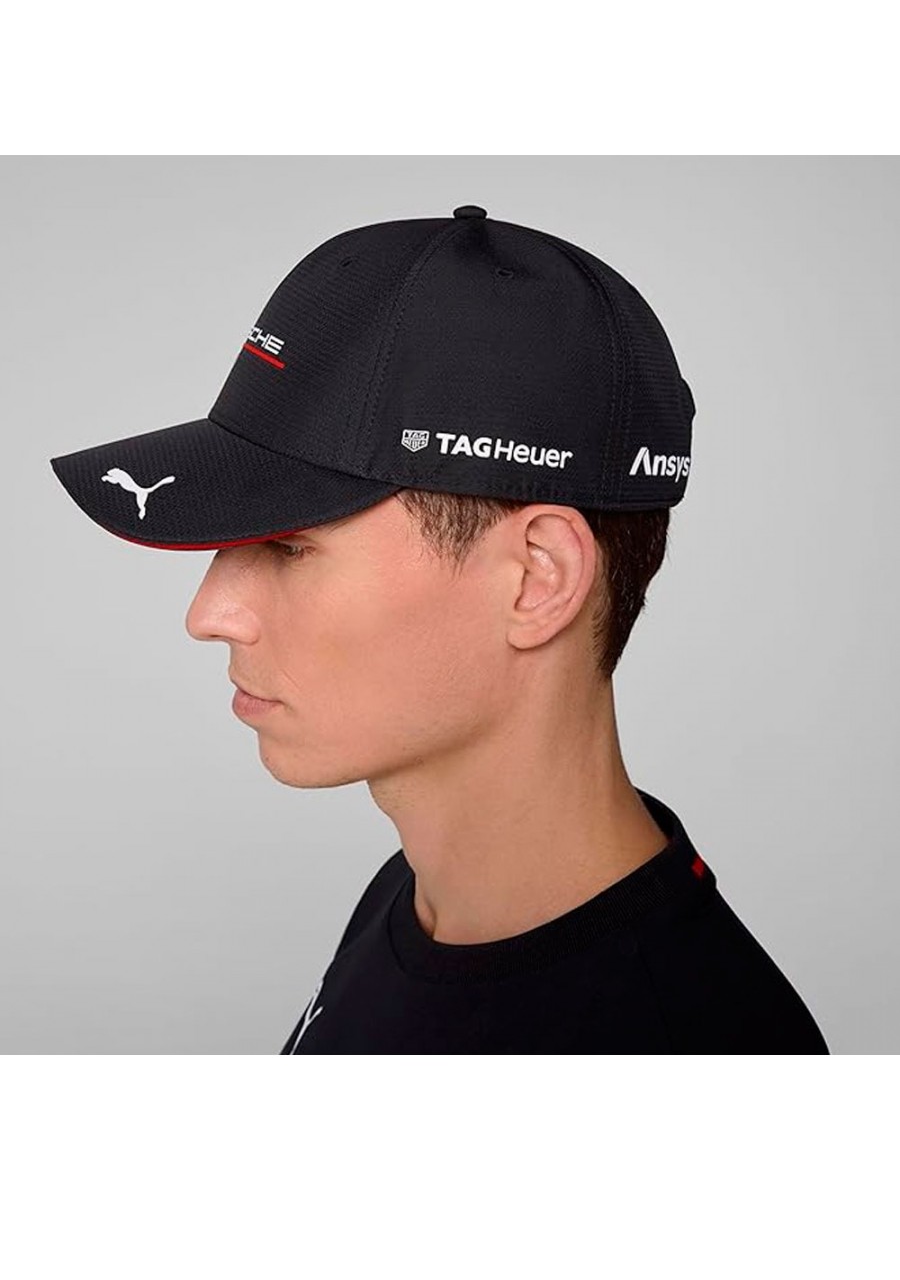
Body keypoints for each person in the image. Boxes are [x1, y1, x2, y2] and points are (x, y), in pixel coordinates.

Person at [49, 203, 829, 1054]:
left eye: (288, 546)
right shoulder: (414, 901)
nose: (210, 614)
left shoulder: (694, 1046)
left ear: (537, 578)